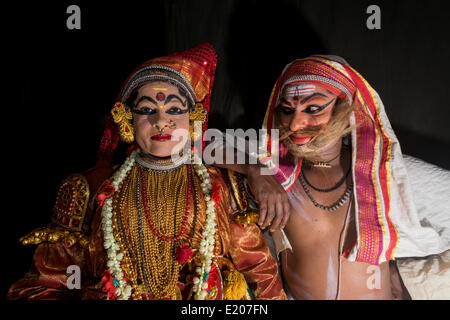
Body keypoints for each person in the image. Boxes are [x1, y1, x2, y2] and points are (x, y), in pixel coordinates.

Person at [8, 43, 286, 300]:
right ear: (128, 119)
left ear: (193, 120)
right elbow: (43, 285)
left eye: (175, 109)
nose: (161, 121)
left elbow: (262, 273)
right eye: (147, 110)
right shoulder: (91, 189)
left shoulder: (220, 186)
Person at [254, 55, 450, 299]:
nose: (295, 124)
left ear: (345, 109)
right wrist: (255, 173)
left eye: (313, 109)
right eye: (286, 110)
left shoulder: (387, 173)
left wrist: (405, 275)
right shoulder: (275, 172)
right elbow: (200, 141)